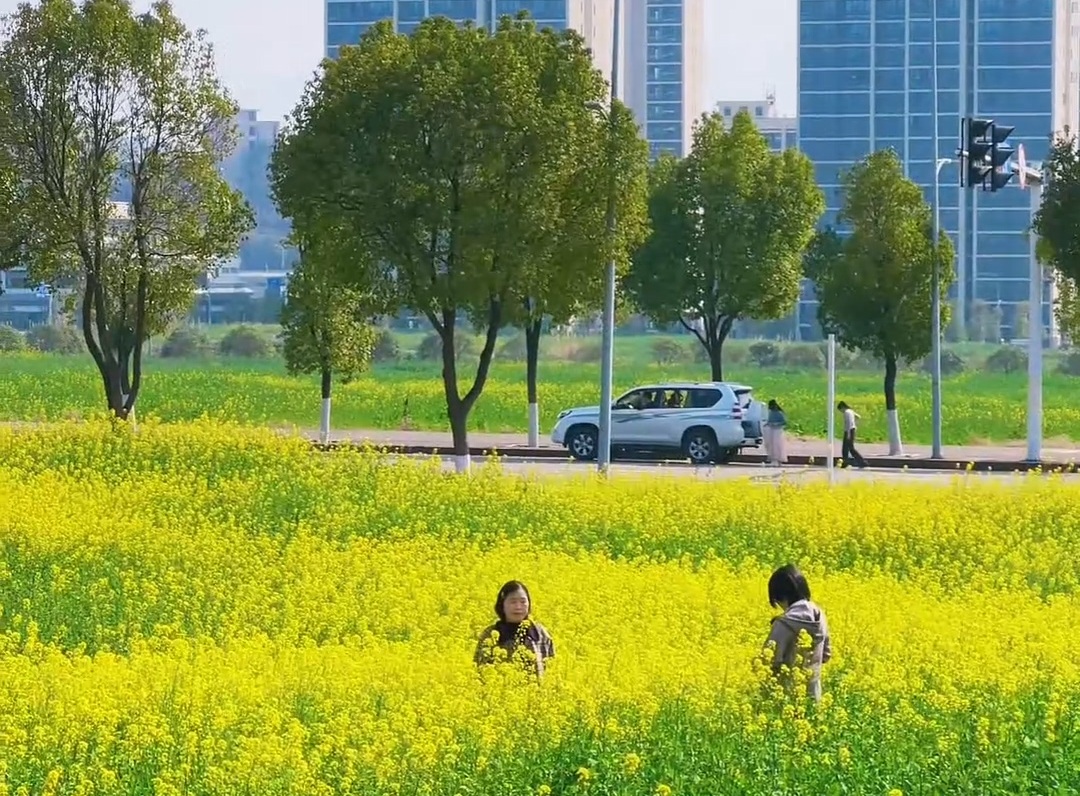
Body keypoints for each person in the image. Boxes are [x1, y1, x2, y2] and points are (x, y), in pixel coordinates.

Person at [764, 564, 832, 701]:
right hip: (814, 697)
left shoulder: (783, 624)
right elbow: (826, 655)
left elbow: (768, 662)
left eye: (777, 601)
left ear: (782, 596)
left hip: (784, 698)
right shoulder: (820, 616)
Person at [474, 581, 555, 677]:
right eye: (513, 602)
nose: (518, 607)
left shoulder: (540, 633)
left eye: (523, 601)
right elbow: (480, 670)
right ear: (502, 605)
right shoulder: (490, 635)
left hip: (538, 691)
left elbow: (552, 666)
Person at [836, 401, 867, 468]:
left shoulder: (846, 412)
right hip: (852, 429)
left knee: (848, 448)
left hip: (848, 430)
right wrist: (854, 424)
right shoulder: (851, 411)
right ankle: (847, 463)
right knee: (848, 448)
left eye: (840, 410)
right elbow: (858, 417)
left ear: (842, 408)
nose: (841, 412)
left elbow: (848, 423)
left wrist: (848, 433)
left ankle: (862, 462)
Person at [764, 399, 787, 465]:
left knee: (777, 445)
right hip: (772, 430)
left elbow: (784, 422)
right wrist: (767, 424)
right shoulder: (771, 413)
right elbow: (769, 421)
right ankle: (774, 459)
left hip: (778, 431)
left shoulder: (779, 413)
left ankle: (778, 459)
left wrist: (776, 424)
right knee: (772, 445)